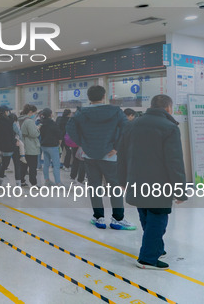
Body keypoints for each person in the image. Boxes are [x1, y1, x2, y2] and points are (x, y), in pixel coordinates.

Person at [118, 95, 187, 270]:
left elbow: (122, 155)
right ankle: (147, 259)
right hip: (159, 183)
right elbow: (175, 162)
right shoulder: (169, 128)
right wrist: (180, 191)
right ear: (169, 108)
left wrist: (122, 180)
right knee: (158, 219)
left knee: (146, 215)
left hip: (135, 180)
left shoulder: (132, 125)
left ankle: (156, 248)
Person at [66, 85, 134, 230]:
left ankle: (99, 218)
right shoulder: (115, 111)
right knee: (114, 187)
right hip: (110, 155)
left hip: (90, 155)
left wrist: (83, 144)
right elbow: (126, 128)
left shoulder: (81, 113)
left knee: (94, 186)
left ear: (89, 98)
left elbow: (70, 128)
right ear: (104, 96)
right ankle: (118, 219)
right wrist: (116, 147)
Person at [39, 108, 64, 186]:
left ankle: (47, 180)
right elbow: (59, 134)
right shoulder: (53, 123)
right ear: (50, 114)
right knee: (56, 165)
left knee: (46, 164)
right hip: (53, 146)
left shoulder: (41, 123)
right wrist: (59, 143)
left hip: (43, 145)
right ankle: (58, 182)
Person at [20, 104, 40, 187]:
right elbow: (33, 134)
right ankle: (34, 183)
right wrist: (38, 130)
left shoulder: (20, 119)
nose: (35, 115)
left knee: (23, 166)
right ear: (30, 112)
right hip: (31, 146)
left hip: (23, 145)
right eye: (34, 113)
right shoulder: (29, 121)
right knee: (32, 167)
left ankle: (22, 181)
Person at [0, 105, 15, 186]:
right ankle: (2, 182)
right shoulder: (9, 121)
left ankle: (0, 182)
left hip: (1, 146)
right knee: (6, 165)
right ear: (5, 112)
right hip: (9, 145)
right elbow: (12, 133)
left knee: (3, 165)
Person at [11, 113, 28, 187]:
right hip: (16, 140)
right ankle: (23, 156)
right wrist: (20, 139)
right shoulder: (14, 124)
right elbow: (19, 132)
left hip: (11, 142)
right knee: (22, 146)